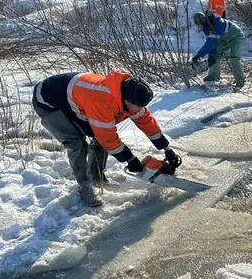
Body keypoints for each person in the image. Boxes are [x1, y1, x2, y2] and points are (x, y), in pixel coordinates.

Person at [32, 71, 181, 207]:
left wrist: (167, 149)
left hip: (75, 98)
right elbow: (108, 138)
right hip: (47, 101)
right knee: (76, 143)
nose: (137, 110)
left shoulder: (130, 96)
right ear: (125, 100)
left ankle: (97, 177)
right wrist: (130, 160)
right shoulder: (102, 101)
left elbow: (146, 121)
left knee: (99, 134)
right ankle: (85, 187)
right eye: (135, 107)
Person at [190, 11, 246, 89]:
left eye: (199, 25)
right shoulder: (206, 27)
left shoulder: (216, 24)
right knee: (215, 57)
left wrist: (198, 56)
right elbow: (212, 44)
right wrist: (212, 55)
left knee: (234, 59)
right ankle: (213, 76)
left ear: (203, 22)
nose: (199, 27)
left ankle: (240, 81)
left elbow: (211, 43)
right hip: (223, 39)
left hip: (236, 36)